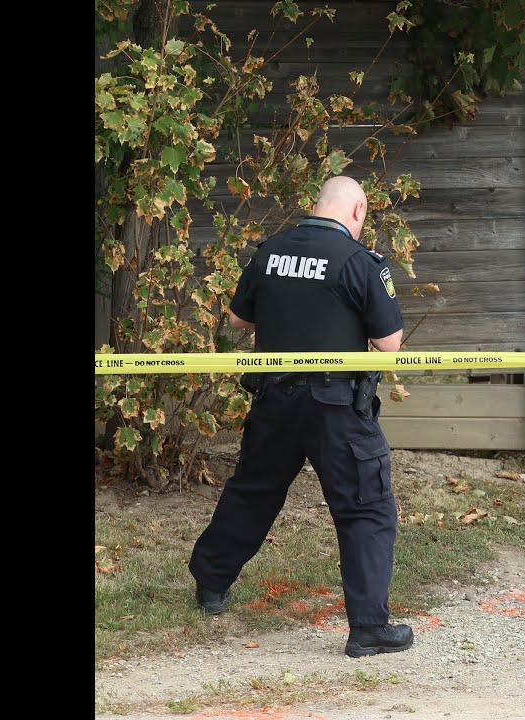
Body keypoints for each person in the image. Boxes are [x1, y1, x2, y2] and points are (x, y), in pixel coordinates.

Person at [188, 175, 413, 656]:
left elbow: (237, 320)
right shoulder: (361, 262)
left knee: (253, 490)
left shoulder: (270, 252)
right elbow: (390, 346)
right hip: (337, 407)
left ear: (319, 205)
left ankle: (210, 583)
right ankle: (369, 628)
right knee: (366, 507)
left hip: (274, 399)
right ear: (356, 212)